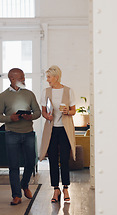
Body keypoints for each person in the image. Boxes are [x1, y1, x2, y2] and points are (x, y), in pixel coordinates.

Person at [0, 68, 41, 205]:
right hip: (11, 134)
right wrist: (10, 118)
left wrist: (30, 116)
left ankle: (24, 184)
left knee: (31, 162)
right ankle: (16, 195)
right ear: (12, 79)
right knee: (13, 166)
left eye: (24, 77)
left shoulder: (29, 94)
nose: (24, 79)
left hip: (28, 133)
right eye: (21, 77)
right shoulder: (2, 96)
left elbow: (37, 112)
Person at [39, 65, 76, 203]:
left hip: (65, 129)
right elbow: (43, 111)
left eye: (49, 77)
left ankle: (66, 188)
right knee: (53, 159)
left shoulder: (68, 91)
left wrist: (67, 111)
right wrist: (46, 116)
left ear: (56, 77)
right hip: (52, 129)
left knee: (65, 159)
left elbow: (74, 111)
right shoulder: (46, 92)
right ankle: (56, 189)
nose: (47, 80)